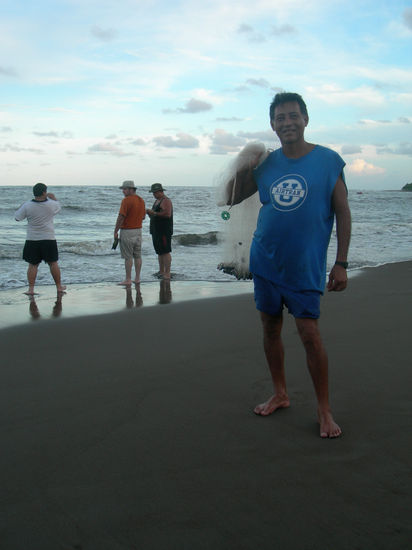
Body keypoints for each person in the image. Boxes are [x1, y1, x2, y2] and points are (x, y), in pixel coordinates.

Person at [227, 92, 351, 438]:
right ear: (272, 125)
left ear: (306, 119)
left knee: (310, 335)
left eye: (293, 116)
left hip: (305, 266)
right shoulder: (267, 165)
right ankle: (280, 393)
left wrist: (341, 262)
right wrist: (244, 163)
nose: (287, 123)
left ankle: (324, 410)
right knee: (269, 328)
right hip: (265, 260)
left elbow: (342, 211)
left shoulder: (328, 161)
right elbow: (231, 197)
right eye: (280, 118)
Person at [15, 183, 66, 296]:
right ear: (44, 192)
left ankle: (31, 289)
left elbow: (17, 218)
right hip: (48, 238)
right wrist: (52, 197)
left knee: (33, 265)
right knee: (53, 263)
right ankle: (59, 287)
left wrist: (22, 206)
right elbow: (58, 207)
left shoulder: (27, 205)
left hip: (32, 239)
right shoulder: (51, 204)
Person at [114, 180, 146, 285]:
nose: (123, 191)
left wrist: (115, 230)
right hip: (138, 230)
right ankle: (137, 278)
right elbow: (143, 217)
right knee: (138, 256)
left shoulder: (126, 201)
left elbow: (121, 216)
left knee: (128, 257)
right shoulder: (141, 200)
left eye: (124, 189)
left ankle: (128, 279)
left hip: (127, 231)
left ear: (130, 189)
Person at [146, 183, 173, 280]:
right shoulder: (157, 201)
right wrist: (150, 214)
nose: (154, 194)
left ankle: (167, 273)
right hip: (156, 230)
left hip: (164, 230)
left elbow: (167, 214)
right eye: (153, 193)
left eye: (155, 192)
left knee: (165, 251)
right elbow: (156, 215)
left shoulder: (166, 201)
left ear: (161, 192)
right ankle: (161, 271)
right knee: (159, 252)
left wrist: (154, 213)